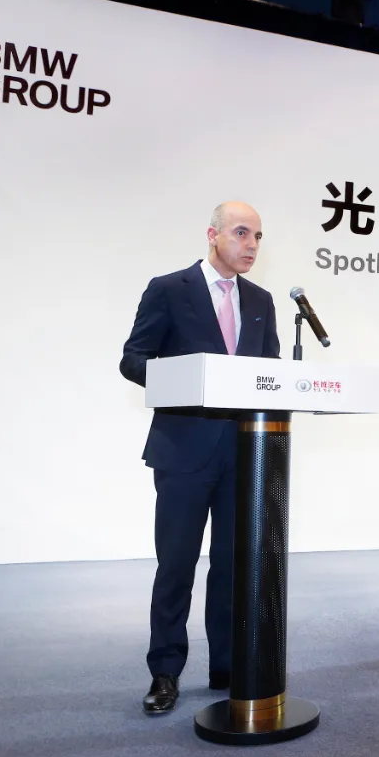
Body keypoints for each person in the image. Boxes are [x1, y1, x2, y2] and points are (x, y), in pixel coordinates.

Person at [119, 202, 281, 714]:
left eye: (258, 236)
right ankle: (165, 672)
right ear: (213, 235)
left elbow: (271, 371)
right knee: (177, 565)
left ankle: (227, 667)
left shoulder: (261, 300)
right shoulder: (169, 289)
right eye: (241, 233)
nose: (251, 245)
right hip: (184, 451)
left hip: (245, 454)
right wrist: (186, 380)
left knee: (233, 568)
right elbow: (133, 359)